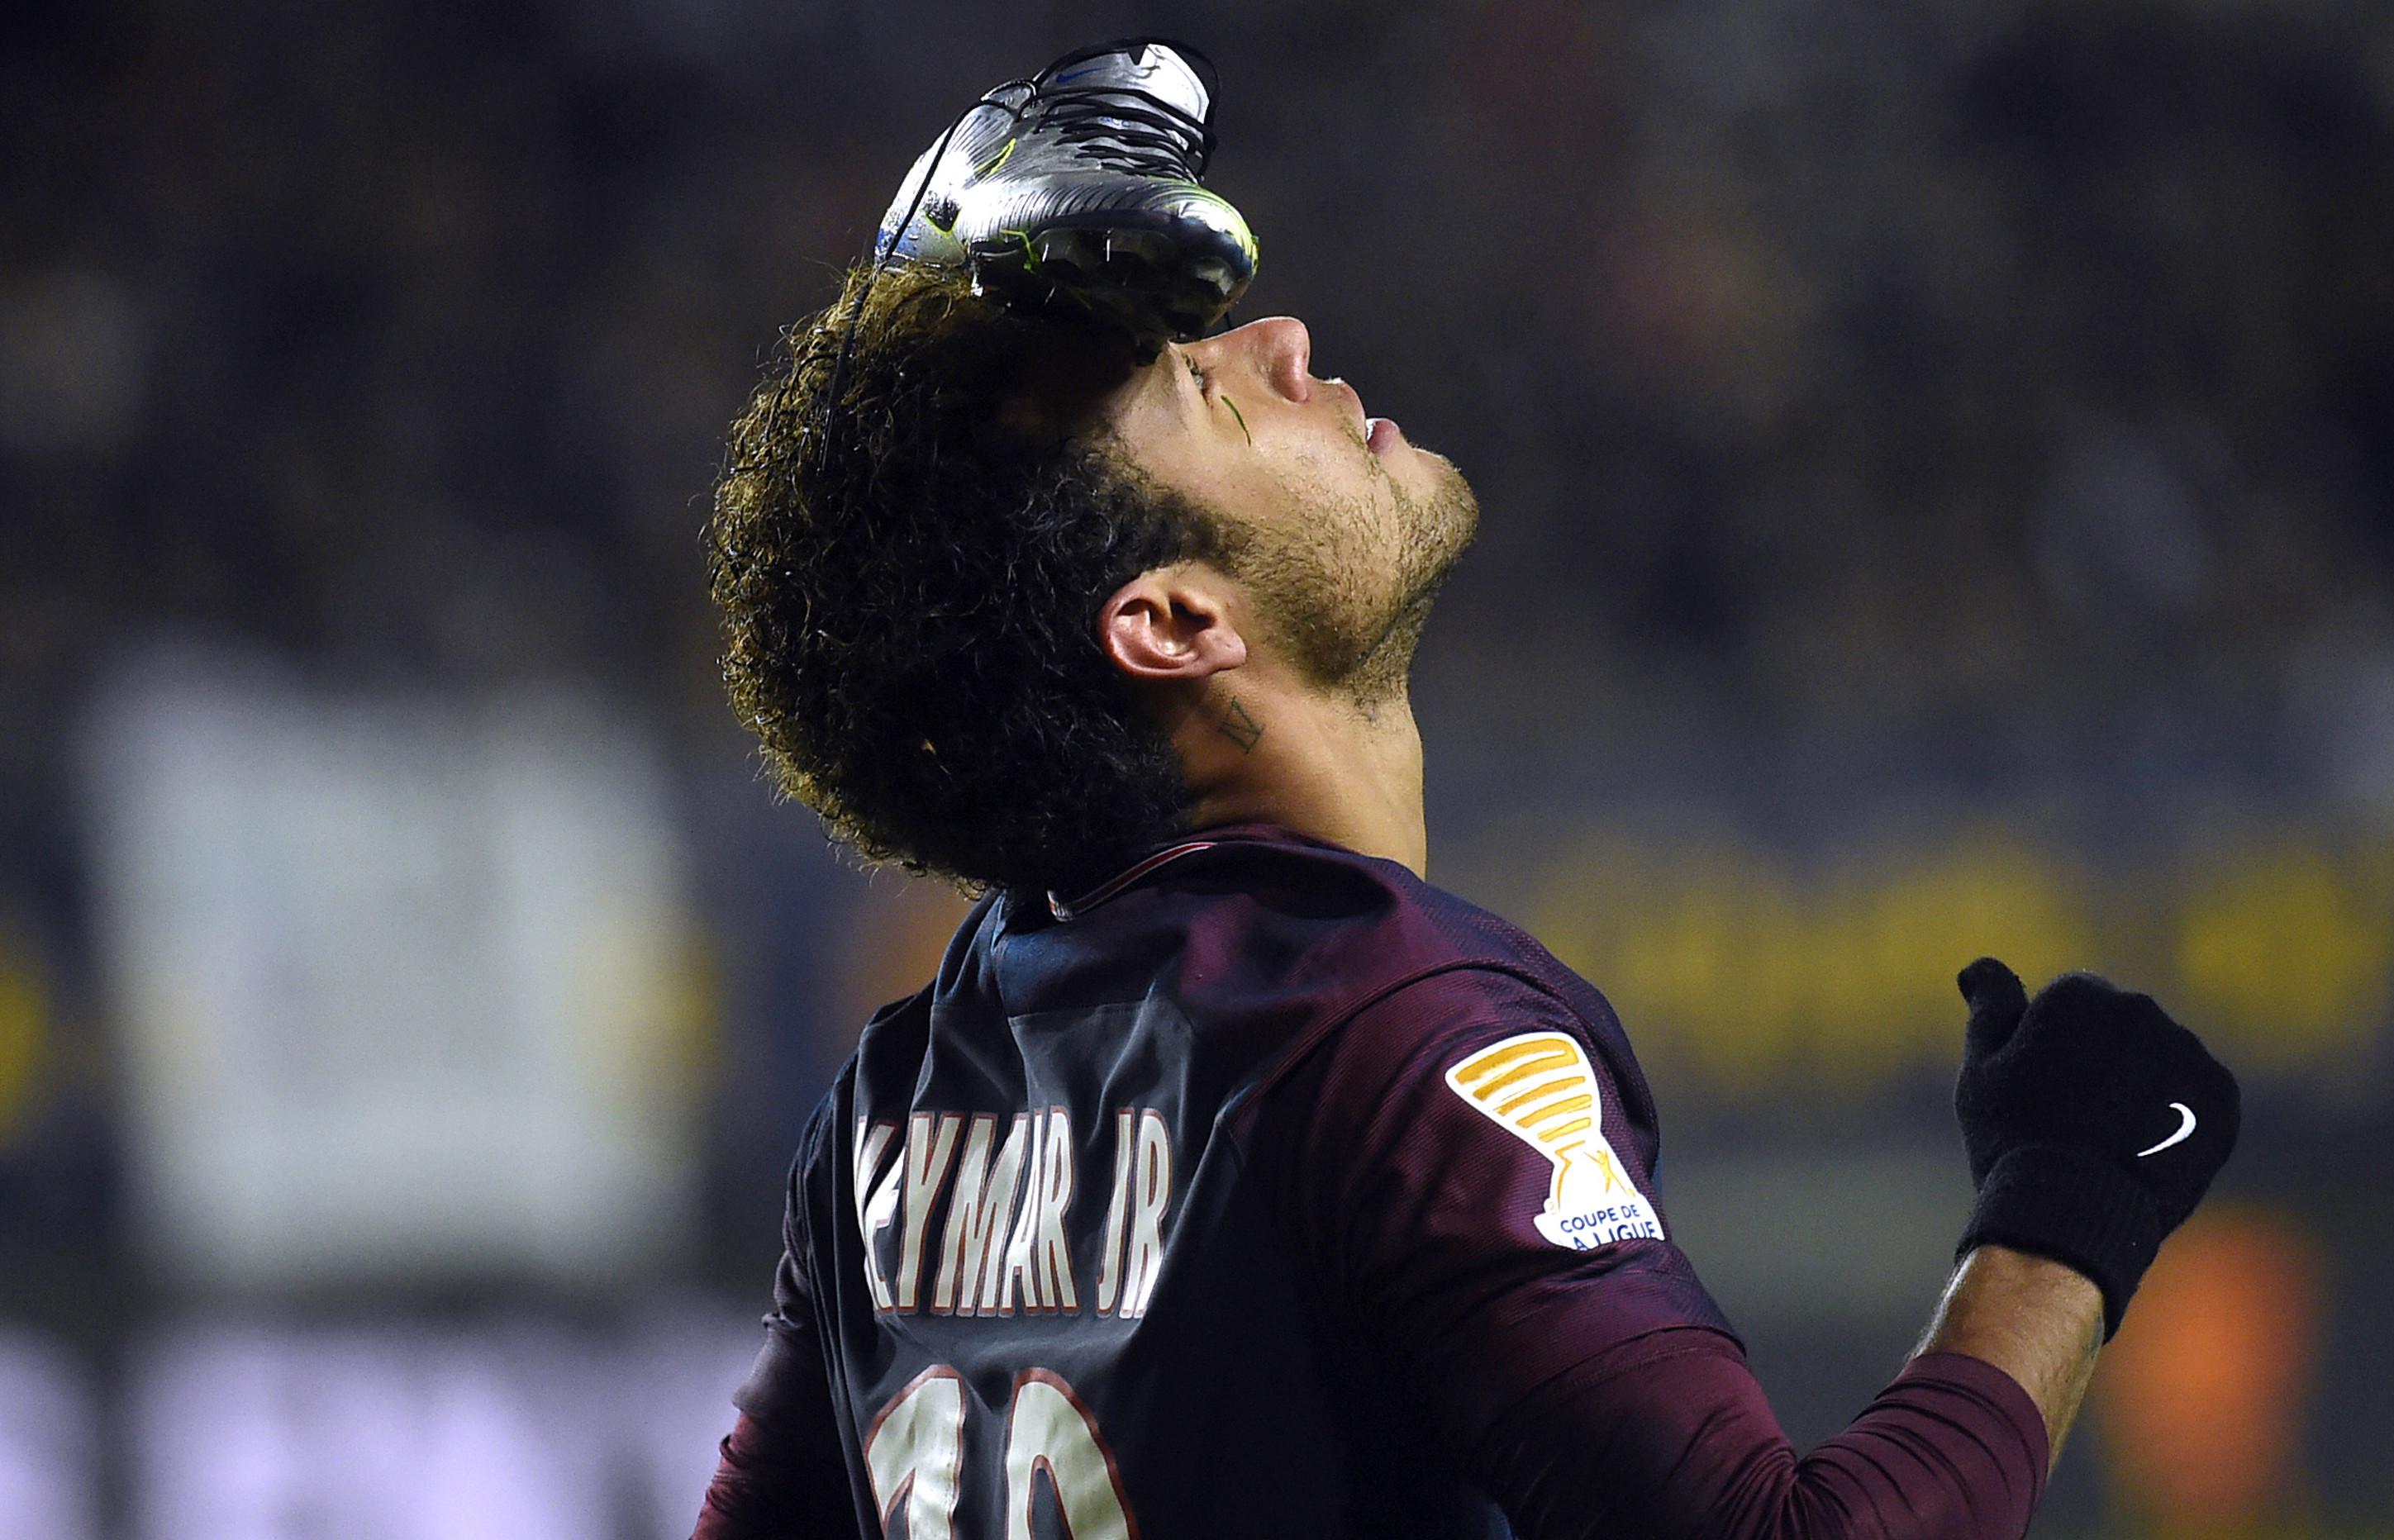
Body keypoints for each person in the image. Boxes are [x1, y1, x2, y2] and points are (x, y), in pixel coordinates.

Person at [694, 38, 2239, 1540]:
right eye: (1210, 396)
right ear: (1172, 623)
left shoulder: (893, 1105)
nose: (1281, 344)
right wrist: (2065, 1212)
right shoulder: (1383, 1024)